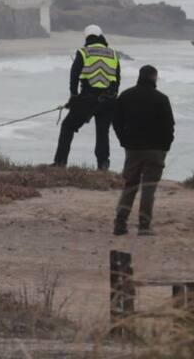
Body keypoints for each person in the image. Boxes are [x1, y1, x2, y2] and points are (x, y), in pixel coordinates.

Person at [111, 65, 174, 236]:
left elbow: (116, 121)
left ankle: (120, 222)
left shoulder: (126, 96)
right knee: (149, 188)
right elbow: (169, 126)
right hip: (155, 149)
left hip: (133, 148)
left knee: (130, 185)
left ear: (140, 76)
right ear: (154, 77)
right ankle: (144, 225)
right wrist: (166, 146)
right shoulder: (161, 99)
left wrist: (123, 140)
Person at [53, 24, 121, 170]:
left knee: (67, 127)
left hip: (87, 99)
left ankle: (60, 163)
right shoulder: (114, 54)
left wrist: (73, 96)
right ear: (101, 36)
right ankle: (103, 165)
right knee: (103, 133)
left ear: (87, 37)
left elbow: (74, 76)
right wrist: (111, 97)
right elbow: (117, 79)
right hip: (108, 101)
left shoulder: (83, 52)